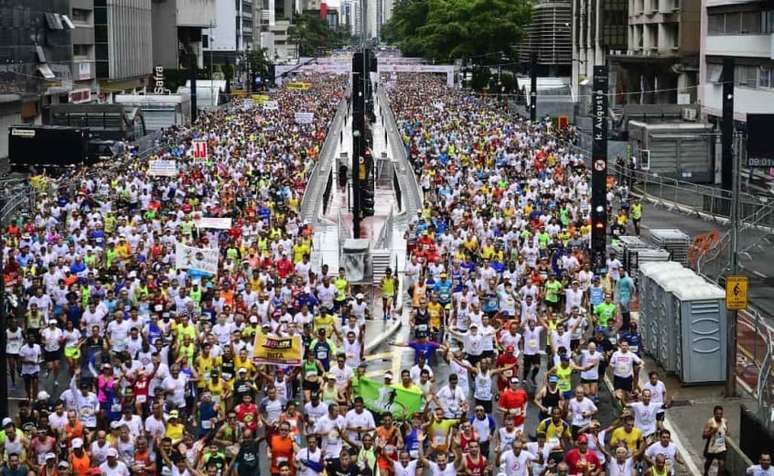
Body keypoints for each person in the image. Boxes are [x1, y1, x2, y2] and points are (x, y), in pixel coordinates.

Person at [702, 405, 728, 476]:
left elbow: (725, 432)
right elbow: (704, 436)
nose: (719, 415)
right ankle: (706, 472)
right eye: (717, 414)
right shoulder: (710, 422)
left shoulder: (725, 421)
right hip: (712, 447)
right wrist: (712, 432)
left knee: (722, 465)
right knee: (708, 462)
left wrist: (727, 439)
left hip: (721, 447)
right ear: (714, 414)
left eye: (720, 414)